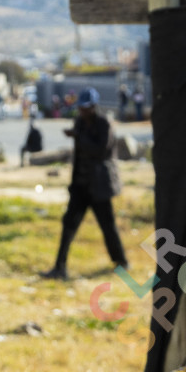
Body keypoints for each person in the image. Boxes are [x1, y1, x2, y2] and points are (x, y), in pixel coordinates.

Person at [40, 89, 127, 279]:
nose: (82, 111)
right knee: (68, 224)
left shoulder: (104, 124)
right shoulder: (79, 123)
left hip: (99, 186)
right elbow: (79, 156)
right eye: (80, 108)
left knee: (107, 225)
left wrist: (79, 136)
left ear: (93, 107)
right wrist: (73, 183)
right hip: (81, 185)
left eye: (85, 108)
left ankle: (121, 262)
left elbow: (99, 151)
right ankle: (59, 267)